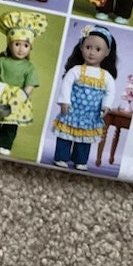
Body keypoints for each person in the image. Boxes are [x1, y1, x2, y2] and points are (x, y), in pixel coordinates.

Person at [0, 10, 47, 155]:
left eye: (26, 45)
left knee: (11, 123)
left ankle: (5, 144)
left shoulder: (29, 67)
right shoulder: (2, 61)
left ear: (30, 48)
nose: (21, 49)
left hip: (17, 96)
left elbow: (30, 84)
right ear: (9, 44)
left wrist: (23, 95)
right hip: (0, 92)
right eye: (17, 44)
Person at [51, 25, 118, 170]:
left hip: (90, 115)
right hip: (72, 112)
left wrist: (106, 105)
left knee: (84, 140)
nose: (92, 53)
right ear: (81, 47)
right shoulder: (76, 70)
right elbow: (66, 86)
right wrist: (64, 102)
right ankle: (61, 157)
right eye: (88, 47)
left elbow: (110, 92)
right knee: (65, 135)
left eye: (98, 49)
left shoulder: (106, 76)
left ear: (107, 52)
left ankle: (80, 160)